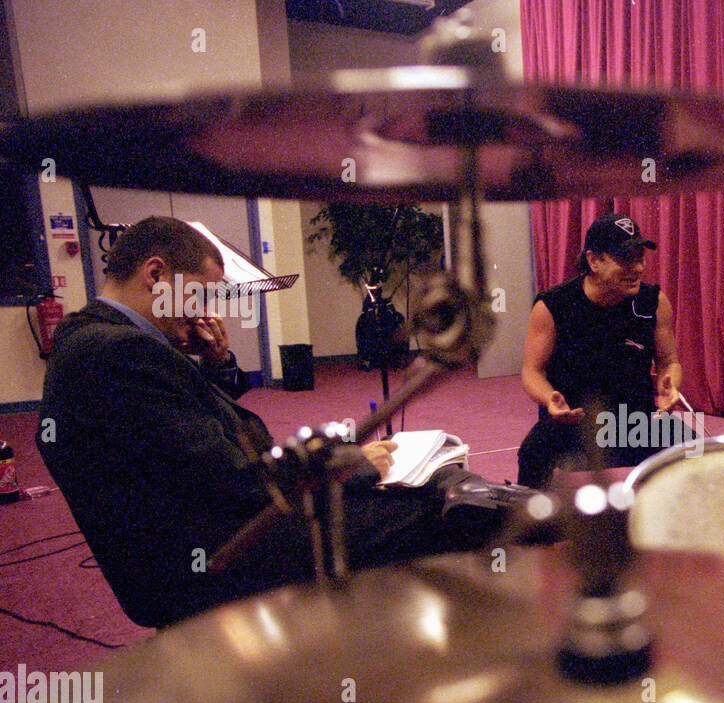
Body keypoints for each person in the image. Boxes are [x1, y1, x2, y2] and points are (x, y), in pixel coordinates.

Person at [38, 216, 499, 629]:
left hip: (202, 531)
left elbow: (184, 435)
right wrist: (359, 466)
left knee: (445, 492)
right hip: (211, 558)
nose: (205, 312)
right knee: (432, 510)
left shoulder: (91, 339)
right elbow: (237, 480)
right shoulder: (122, 353)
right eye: (200, 293)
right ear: (156, 274)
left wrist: (215, 365)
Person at [518, 212, 694, 488]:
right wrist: (549, 399)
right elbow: (532, 371)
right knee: (532, 452)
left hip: (635, 423)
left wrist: (669, 385)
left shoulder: (653, 302)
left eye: (640, 257)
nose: (637, 267)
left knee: (692, 447)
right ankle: (530, 527)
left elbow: (669, 361)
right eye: (625, 259)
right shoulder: (553, 306)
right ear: (594, 260)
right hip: (573, 424)